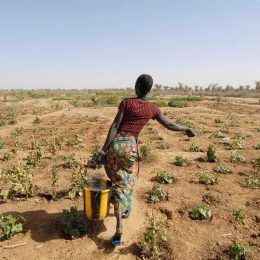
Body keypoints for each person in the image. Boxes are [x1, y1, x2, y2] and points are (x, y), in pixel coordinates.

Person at [96, 74, 195, 245]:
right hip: (130, 147)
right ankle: (125, 208)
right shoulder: (152, 108)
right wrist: (185, 128)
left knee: (116, 179)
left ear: (136, 86)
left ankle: (119, 223)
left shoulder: (126, 102)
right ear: (149, 90)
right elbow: (170, 124)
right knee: (124, 180)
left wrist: (103, 151)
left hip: (116, 145)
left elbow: (114, 126)